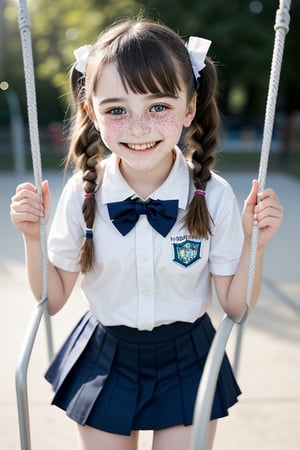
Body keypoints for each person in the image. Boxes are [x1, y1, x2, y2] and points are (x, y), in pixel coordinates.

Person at [10, 16, 283, 450]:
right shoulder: (84, 192)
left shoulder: (213, 196)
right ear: (91, 112)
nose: (138, 127)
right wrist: (30, 237)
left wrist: (256, 243)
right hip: (106, 353)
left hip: (186, 355)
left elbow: (235, 305)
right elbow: (54, 297)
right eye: (117, 109)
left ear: (189, 108)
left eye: (158, 106)